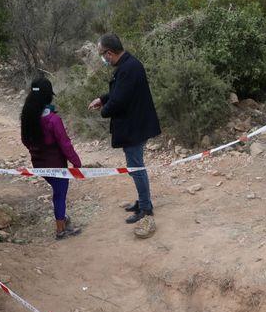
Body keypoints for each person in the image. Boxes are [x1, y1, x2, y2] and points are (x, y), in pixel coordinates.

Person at [88, 34, 161, 224]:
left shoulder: (128, 68)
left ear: (110, 53)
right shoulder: (128, 65)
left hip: (134, 127)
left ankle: (145, 207)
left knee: (136, 168)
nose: (103, 59)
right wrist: (103, 99)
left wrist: (104, 111)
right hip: (134, 125)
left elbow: (119, 100)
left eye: (102, 55)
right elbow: (118, 91)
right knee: (135, 167)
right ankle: (143, 201)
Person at [21, 77, 83, 239]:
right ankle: (61, 229)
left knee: (57, 193)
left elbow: (25, 140)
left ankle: (62, 219)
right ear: (48, 95)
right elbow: (65, 144)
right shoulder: (53, 119)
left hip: (39, 164)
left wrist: (36, 151)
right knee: (59, 195)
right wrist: (76, 163)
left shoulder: (28, 116)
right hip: (57, 166)